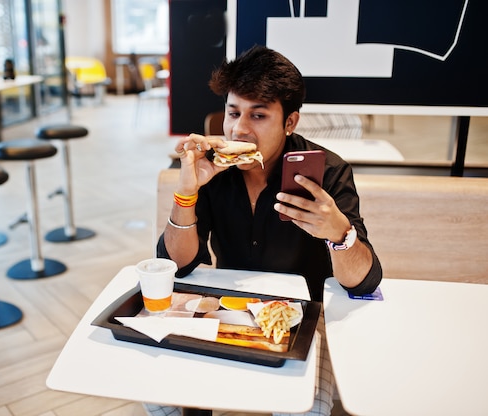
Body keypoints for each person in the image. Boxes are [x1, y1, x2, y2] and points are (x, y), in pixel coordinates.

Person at [144, 45, 382, 416]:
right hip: (225, 310)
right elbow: (179, 264)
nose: (240, 129)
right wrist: (188, 193)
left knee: (312, 408)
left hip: (300, 321)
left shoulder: (328, 173)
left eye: (258, 115)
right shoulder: (213, 170)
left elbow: (362, 283)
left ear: (290, 122)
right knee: (159, 396)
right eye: (233, 112)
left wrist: (339, 232)